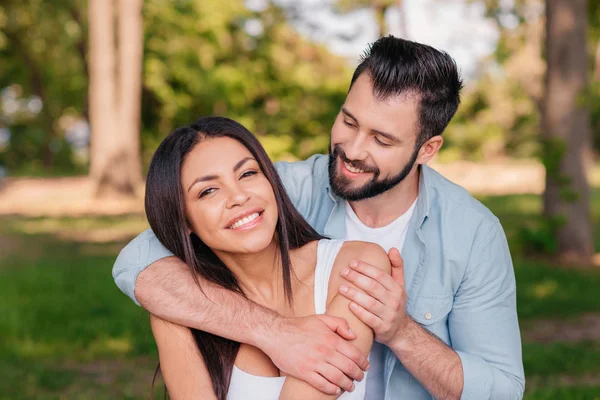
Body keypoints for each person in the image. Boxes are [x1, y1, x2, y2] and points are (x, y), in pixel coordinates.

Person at [114, 36, 525, 399]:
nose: (352, 149)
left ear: (427, 149)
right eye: (348, 121)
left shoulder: (472, 234)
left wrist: (402, 333)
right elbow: (138, 264)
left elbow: (501, 390)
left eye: (381, 139)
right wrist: (276, 333)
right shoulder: (278, 190)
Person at [144, 116, 389, 399]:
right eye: (208, 190)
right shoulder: (179, 307)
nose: (238, 196)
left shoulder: (357, 266)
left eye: (247, 174)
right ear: (183, 220)